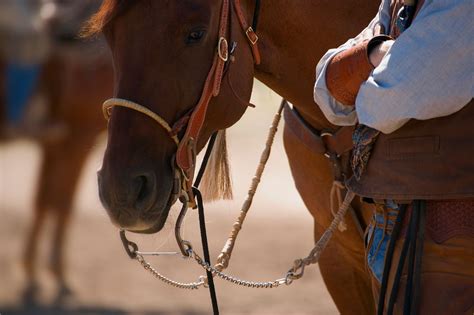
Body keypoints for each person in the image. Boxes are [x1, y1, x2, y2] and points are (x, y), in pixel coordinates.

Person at [313, 0, 473, 313]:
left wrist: (368, 59)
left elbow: (382, 104)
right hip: (397, 224)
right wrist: (379, 51)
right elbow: (328, 94)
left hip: (446, 234)